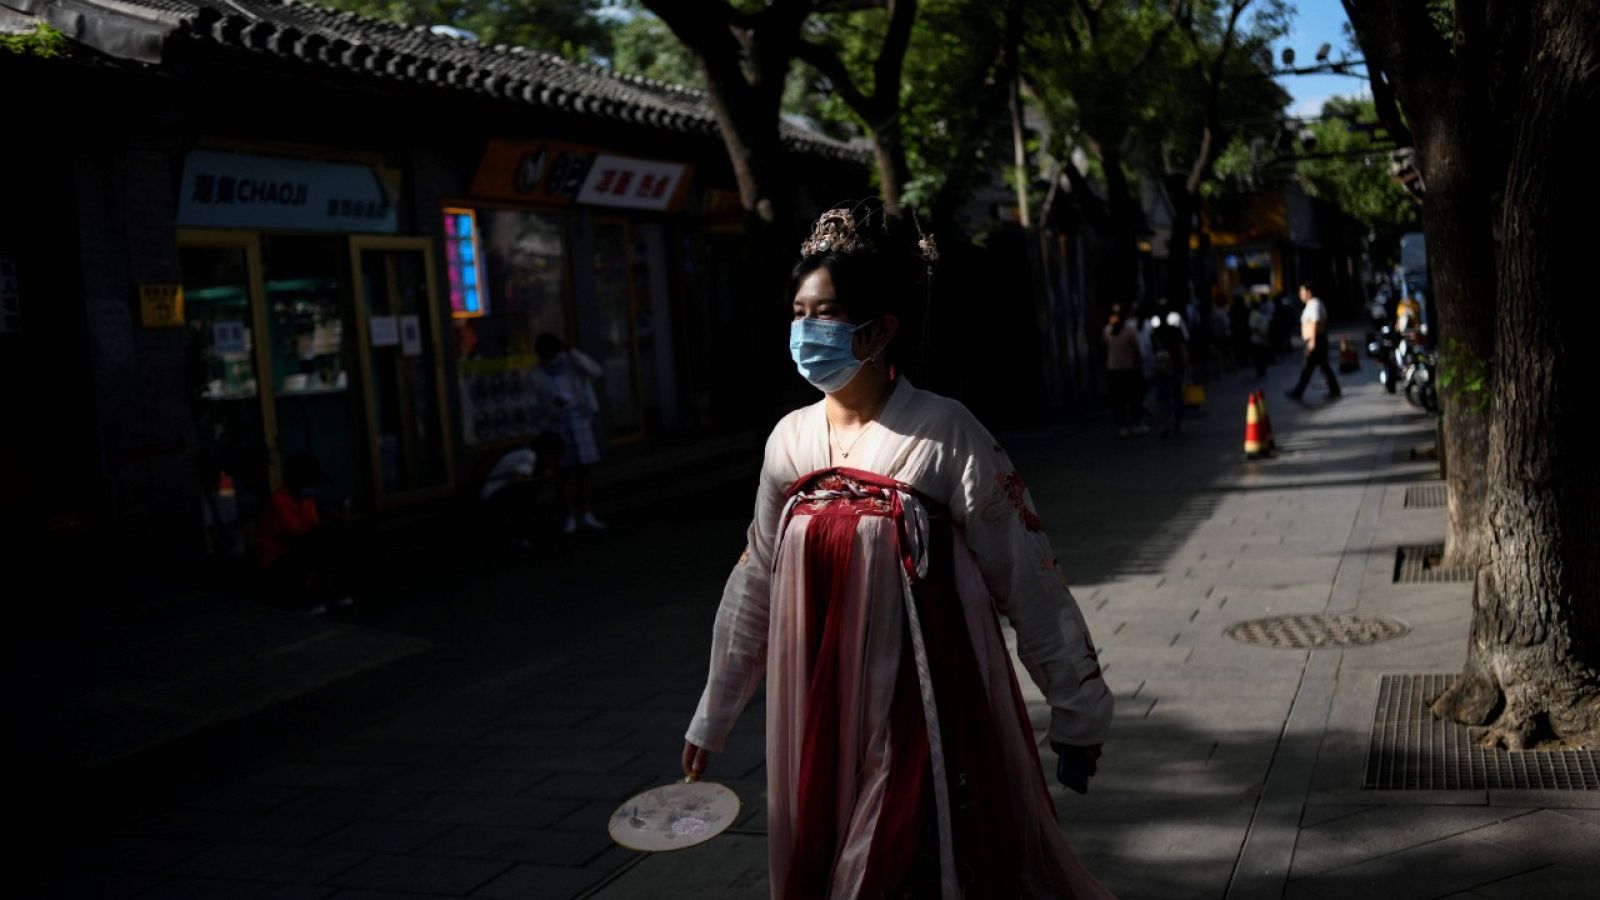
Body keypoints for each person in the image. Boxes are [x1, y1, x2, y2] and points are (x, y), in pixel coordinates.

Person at [682, 206, 1114, 899]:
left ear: (880, 330)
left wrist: (1077, 705)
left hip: (925, 710)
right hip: (814, 714)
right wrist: (716, 711)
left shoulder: (945, 432)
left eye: (822, 314)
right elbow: (755, 577)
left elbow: (1025, 571)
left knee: (897, 867)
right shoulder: (787, 442)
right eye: (797, 312)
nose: (804, 331)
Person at [257, 454, 353, 615]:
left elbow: (313, 527)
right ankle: (301, 600)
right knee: (311, 552)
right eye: (310, 483)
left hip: (297, 549)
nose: (313, 488)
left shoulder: (306, 500)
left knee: (334, 542)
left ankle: (330, 592)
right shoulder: (279, 501)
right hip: (276, 559)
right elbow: (294, 537)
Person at [530, 333, 607, 534]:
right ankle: (569, 515)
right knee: (563, 472)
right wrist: (552, 407)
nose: (551, 359)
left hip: (579, 417)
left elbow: (596, 371)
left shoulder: (572, 363)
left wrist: (572, 352)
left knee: (584, 468)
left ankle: (585, 512)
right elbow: (535, 406)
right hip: (557, 423)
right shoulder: (537, 375)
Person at [1286, 281, 1342, 401]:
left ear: (1309, 292)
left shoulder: (1314, 303)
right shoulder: (1311, 304)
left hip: (1316, 340)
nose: (1300, 294)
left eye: (1302, 292)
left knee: (1308, 367)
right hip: (1315, 340)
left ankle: (1298, 391)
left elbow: (1315, 323)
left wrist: (1312, 341)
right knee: (1322, 366)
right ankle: (1334, 389)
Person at [1104, 307, 1145, 436]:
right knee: (1133, 397)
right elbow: (1136, 349)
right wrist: (1139, 363)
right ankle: (1136, 422)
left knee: (1119, 399)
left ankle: (1122, 425)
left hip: (1114, 369)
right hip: (1129, 368)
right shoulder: (1128, 331)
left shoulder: (1108, 331)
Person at [1150, 310, 1190, 437]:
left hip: (1161, 369)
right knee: (1176, 394)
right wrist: (1187, 364)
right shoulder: (1175, 330)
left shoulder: (1155, 333)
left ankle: (1165, 424)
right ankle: (1177, 421)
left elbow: (1151, 351)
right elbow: (1183, 349)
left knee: (1162, 397)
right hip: (1175, 366)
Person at [1247, 297, 1272, 377]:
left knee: (1258, 356)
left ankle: (1260, 370)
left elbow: (1253, 328)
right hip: (1261, 338)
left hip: (1257, 339)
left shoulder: (1254, 314)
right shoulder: (1260, 314)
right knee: (1261, 356)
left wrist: (1261, 334)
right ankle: (1261, 370)